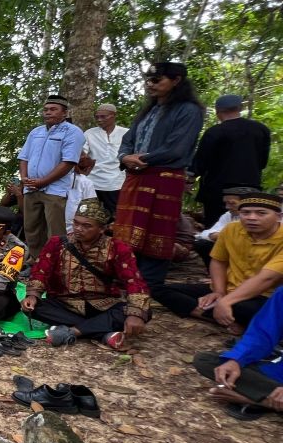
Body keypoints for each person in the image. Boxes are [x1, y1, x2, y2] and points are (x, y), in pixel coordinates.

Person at [113, 62, 205, 295]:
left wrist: (141, 159)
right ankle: (127, 278)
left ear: (176, 81)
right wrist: (125, 157)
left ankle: (149, 284)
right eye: (148, 80)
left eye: (157, 80)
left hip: (164, 176)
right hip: (136, 177)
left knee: (157, 230)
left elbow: (177, 148)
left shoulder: (188, 110)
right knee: (128, 229)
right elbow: (128, 140)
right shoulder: (149, 110)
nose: (150, 84)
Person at [23, 198, 149, 350]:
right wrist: (32, 295)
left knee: (143, 311)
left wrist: (135, 314)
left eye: (86, 226)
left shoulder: (117, 247)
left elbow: (133, 281)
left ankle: (73, 331)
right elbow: (40, 271)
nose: (78, 229)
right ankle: (103, 333)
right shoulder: (57, 243)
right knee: (33, 307)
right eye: (76, 223)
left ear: (102, 229)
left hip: (104, 304)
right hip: (64, 304)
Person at [156, 192, 283, 333]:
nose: (252, 218)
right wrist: (219, 292)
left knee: (249, 309)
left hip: (264, 295)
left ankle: (222, 314)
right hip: (228, 288)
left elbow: (267, 278)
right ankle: (218, 317)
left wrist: (226, 302)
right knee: (159, 289)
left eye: (261, 213)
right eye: (245, 212)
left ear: (278, 216)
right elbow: (218, 261)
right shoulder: (231, 229)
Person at [195, 287, 283, 420]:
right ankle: (267, 396)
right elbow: (262, 334)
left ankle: (259, 400)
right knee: (206, 361)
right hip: (276, 373)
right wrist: (236, 359)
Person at [18, 94, 86, 262]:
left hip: (54, 189)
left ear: (65, 113)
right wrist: (25, 178)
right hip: (31, 188)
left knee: (55, 231)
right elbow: (24, 157)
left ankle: (56, 264)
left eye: (53, 109)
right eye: (46, 109)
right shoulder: (36, 132)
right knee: (32, 228)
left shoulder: (73, 132)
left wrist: (43, 181)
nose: (48, 113)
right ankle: (37, 262)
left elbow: (69, 162)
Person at [191, 94, 272, 228]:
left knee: (216, 226)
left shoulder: (215, 132)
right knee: (247, 225)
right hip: (250, 187)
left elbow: (201, 161)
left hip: (219, 191)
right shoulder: (261, 129)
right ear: (240, 108)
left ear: (218, 112)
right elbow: (263, 161)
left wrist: (190, 177)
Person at [193, 184, 255, 267]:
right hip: (232, 249)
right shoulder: (229, 215)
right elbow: (206, 234)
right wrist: (217, 235)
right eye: (226, 203)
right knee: (203, 244)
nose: (227, 207)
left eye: (232, 203)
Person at [83, 103, 127, 218]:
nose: (99, 120)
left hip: (117, 182)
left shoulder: (126, 133)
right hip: (93, 182)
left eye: (103, 116)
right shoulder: (89, 133)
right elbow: (82, 153)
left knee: (115, 217)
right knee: (91, 216)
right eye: (97, 117)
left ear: (113, 115)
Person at [64, 155, 98, 234]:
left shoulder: (65, 177)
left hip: (60, 219)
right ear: (88, 168)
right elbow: (91, 205)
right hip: (75, 223)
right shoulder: (86, 182)